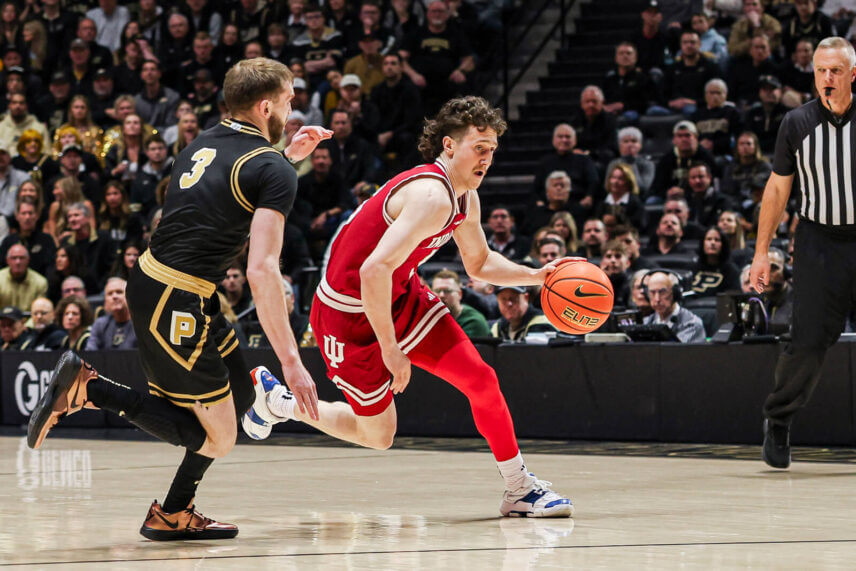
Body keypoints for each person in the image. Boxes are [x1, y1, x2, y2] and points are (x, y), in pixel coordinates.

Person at [27, 58, 333, 540]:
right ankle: (90, 391)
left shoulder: (202, 142)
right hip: (178, 300)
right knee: (220, 436)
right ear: (267, 105)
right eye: (291, 99)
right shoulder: (271, 169)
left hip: (165, 283)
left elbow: (237, 180)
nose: (295, 106)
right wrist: (292, 361)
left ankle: (172, 512)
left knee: (242, 394)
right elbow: (262, 269)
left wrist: (286, 155)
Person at [244, 96, 574, 518]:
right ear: (450, 146)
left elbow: (478, 262)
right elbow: (371, 271)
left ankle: (519, 488)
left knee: (481, 380)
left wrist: (537, 275)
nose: (487, 158)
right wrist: (391, 349)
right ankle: (279, 404)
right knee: (378, 435)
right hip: (347, 313)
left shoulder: (464, 197)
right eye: (479, 147)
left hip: (399, 294)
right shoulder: (431, 195)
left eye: (492, 149)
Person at [749, 37, 856, 470]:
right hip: (819, 242)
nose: (827, 78)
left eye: (835, 71)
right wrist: (761, 252)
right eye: (820, 71)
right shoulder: (796, 123)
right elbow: (777, 189)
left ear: (852, 74)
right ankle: (779, 421)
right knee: (807, 341)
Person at [642, 270, 706, 342]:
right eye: (652, 292)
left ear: (675, 293)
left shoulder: (692, 325)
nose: (657, 299)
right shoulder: (645, 323)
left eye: (662, 292)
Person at [0, 196, 55, 276]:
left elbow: (51, 268)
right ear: (17, 216)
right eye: (24, 213)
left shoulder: (46, 240)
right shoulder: (8, 241)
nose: (27, 217)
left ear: (37, 216)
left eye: (30, 213)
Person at [431, 268, 490, 338]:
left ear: (460, 294)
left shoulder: (473, 322)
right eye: (437, 291)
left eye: (447, 291)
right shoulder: (429, 318)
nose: (441, 295)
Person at [85, 277, 137, 350]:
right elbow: (90, 354)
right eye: (110, 294)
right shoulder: (100, 324)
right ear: (105, 301)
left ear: (129, 296)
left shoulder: (141, 324)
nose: (114, 296)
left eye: (119, 292)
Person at [690, 226, 740, 297]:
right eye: (709, 239)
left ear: (723, 244)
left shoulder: (731, 271)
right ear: (702, 243)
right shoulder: (693, 267)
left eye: (717, 240)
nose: (713, 243)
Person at [606, 127, 655, 195]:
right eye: (626, 141)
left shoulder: (648, 164)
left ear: (640, 145)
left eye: (634, 141)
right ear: (620, 146)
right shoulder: (613, 164)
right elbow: (607, 187)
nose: (630, 144)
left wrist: (631, 163)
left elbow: (643, 189)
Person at [0, 243, 48, 310]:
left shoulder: (40, 282)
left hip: (30, 319)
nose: (18, 262)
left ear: (28, 260)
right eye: (14, 258)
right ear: (7, 260)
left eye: (22, 258)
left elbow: (40, 311)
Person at [599, 240, 632, 308]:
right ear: (602, 263)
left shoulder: (633, 283)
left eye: (617, 256)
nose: (613, 260)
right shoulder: (594, 282)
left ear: (627, 263)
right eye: (608, 256)